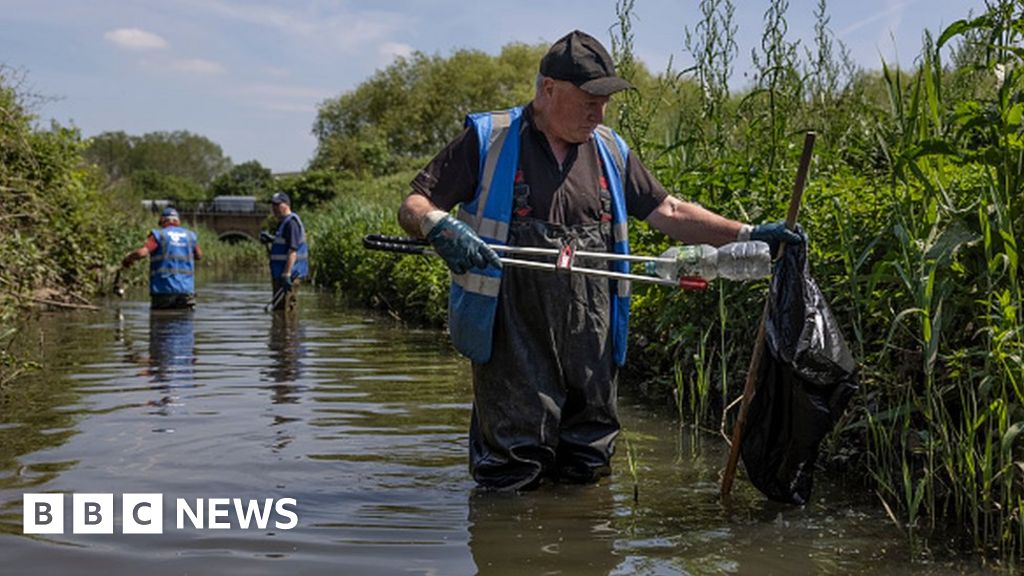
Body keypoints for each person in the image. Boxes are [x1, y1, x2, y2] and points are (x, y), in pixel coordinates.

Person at [398, 29, 804, 492]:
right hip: (511, 333)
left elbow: (668, 211)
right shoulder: (489, 137)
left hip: (591, 335)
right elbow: (414, 203)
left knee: (588, 462)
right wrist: (439, 226)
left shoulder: (610, 149)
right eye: (589, 97)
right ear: (548, 88)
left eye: (605, 99)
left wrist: (747, 234)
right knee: (513, 469)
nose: (599, 111)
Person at [122, 206, 203, 310]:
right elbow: (199, 255)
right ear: (178, 221)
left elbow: (142, 253)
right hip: (186, 291)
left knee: (160, 321)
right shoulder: (190, 236)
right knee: (185, 321)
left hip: (163, 291)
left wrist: (128, 259)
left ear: (163, 220)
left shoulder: (159, 234)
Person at [262, 192, 309, 312]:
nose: (274, 209)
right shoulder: (284, 222)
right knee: (280, 310)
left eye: (278, 205)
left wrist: (286, 274)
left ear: (287, 204)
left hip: (289, 275)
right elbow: (285, 242)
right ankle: (282, 330)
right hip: (281, 274)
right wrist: (271, 239)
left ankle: (289, 331)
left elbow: (293, 250)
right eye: (273, 205)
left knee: (287, 310)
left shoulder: (291, 223)